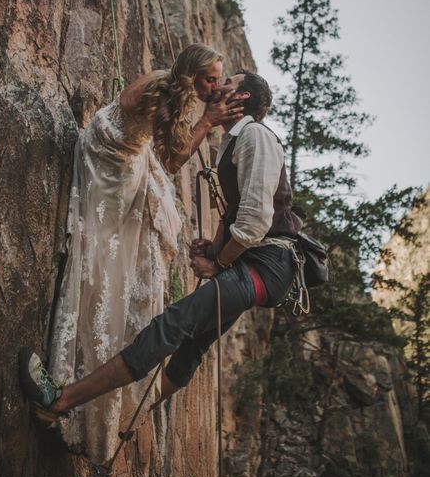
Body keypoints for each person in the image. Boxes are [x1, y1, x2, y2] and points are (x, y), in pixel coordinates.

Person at [19, 71, 303, 446]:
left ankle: (60, 400)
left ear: (243, 95)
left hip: (266, 265)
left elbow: (254, 221)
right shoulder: (234, 141)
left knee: (173, 323)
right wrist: (215, 249)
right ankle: (130, 417)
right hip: (259, 265)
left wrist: (218, 263)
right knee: (193, 346)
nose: (220, 86)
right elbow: (236, 212)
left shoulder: (255, 136)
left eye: (229, 81)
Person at [44, 44, 247, 462]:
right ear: (192, 74)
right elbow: (171, 161)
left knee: (156, 209)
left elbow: (135, 118)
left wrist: (201, 112)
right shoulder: (166, 94)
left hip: (109, 138)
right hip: (111, 161)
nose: (214, 85)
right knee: (139, 242)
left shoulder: (165, 81)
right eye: (210, 78)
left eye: (218, 78)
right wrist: (207, 122)